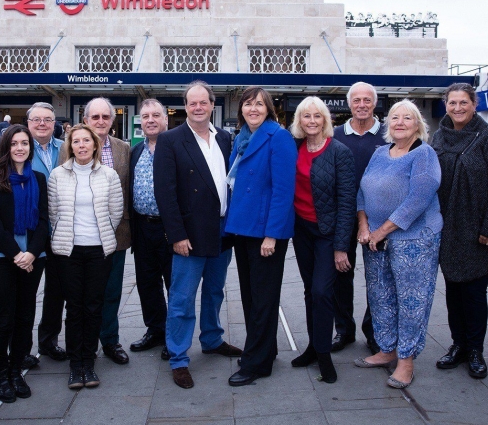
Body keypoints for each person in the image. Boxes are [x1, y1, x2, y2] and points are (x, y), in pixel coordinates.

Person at [153, 80, 243, 390]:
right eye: (192, 103)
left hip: (222, 231)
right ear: (185, 106)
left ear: (212, 105)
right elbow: (165, 193)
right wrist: (176, 235)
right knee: (182, 299)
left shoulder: (225, 138)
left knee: (215, 291)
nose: (198, 107)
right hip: (189, 235)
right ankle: (178, 358)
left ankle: (212, 339)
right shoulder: (170, 140)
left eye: (203, 102)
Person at [353, 100, 442, 389]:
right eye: (394, 118)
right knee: (380, 298)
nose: (400, 122)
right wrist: (365, 226)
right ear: (387, 124)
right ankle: (387, 349)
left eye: (407, 118)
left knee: (411, 301)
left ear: (418, 124)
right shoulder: (380, 152)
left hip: (414, 240)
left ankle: (406, 361)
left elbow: (418, 198)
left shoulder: (424, 154)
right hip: (375, 241)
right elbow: (363, 191)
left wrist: (383, 231)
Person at [430, 83, 488, 379]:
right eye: (453, 103)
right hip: (447, 226)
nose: (458, 108)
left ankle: (475, 349)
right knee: (453, 289)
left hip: (478, 229)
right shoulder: (439, 136)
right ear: (446, 105)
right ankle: (458, 345)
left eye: (464, 102)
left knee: (475, 291)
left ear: (474, 104)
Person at [224, 87, 297, 386]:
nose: (253, 109)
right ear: (241, 109)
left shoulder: (278, 137)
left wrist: (272, 235)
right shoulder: (241, 139)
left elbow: (283, 191)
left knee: (263, 299)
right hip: (243, 228)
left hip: (265, 233)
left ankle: (256, 363)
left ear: (269, 108)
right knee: (251, 296)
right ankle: (265, 349)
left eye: (259, 104)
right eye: (247, 104)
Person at [48, 124, 123, 389]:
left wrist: (99, 235)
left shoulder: (109, 175)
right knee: (74, 308)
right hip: (68, 251)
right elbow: (53, 212)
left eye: (86, 141)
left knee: (94, 306)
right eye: (76, 141)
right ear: (70, 146)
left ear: (95, 145)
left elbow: (115, 213)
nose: (81, 145)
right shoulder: (58, 175)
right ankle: (75, 364)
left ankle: (89, 363)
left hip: (98, 251)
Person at [287, 97, 356, 384]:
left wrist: (341, 246)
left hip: (328, 233)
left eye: (317, 116)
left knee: (321, 292)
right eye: (306, 116)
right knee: (308, 290)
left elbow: (347, 202)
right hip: (302, 230)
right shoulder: (294, 148)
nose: (312, 121)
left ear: (325, 120)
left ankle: (325, 354)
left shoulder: (339, 151)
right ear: (299, 121)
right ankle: (314, 348)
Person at [0, 124, 49, 403]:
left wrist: (32, 253)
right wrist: (16, 255)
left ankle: (16, 369)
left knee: (25, 316)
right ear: (6, 147)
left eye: (24, 143)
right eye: (14, 143)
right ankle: (0, 374)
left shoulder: (39, 179)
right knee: (5, 317)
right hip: (1, 256)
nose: (20, 148)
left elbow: (45, 220)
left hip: (33, 258)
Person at [331, 82, 386, 354]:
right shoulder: (336, 135)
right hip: (343, 217)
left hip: (379, 220)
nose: (362, 104)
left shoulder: (390, 134)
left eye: (367, 100)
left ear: (374, 103)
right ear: (349, 103)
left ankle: (374, 331)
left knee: (377, 278)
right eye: (356, 100)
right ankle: (344, 330)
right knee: (341, 274)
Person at [82, 97, 132, 366]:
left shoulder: (124, 149)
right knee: (84, 294)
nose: (100, 121)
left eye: (105, 117)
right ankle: (83, 343)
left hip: (117, 233)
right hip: (82, 234)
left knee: (112, 291)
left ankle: (110, 340)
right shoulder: (74, 147)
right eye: (95, 117)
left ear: (112, 121)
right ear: (86, 120)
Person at [128, 99, 171, 361]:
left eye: (156, 115)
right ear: (140, 122)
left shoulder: (176, 147)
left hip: (169, 229)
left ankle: (173, 336)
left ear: (166, 119)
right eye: (145, 116)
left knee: (174, 284)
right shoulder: (136, 151)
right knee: (147, 283)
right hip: (142, 227)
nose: (151, 120)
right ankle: (155, 329)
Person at [27, 103, 68, 364]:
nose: (42, 124)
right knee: (25, 294)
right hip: (30, 233)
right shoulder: (18, 147)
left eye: (48, 119)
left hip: (61, 232)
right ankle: (20, 348)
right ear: (28, 122)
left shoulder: (65, 148)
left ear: (55, 123)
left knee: (56, 292)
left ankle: (48, 341)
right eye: (37, 119)